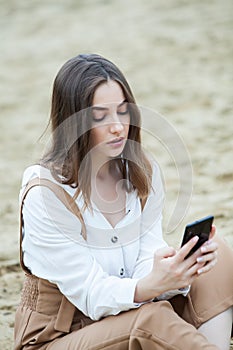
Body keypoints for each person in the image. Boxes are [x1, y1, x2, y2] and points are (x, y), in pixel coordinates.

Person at [14, 54, 233, 350]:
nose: (117, 126)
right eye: (100, 116)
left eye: (122, 111)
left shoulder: (142, 172)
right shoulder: (45, 193)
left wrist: (177, 272)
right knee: (151, 318)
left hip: (133, 313)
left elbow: (145, 257)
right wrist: (149, 287)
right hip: (60, 337)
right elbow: (91, 294)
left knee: (217, 258)